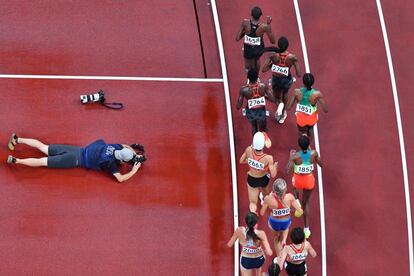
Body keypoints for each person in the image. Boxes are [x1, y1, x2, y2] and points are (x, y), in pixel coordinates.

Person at [6, 133, 144, 183]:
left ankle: (18, 139)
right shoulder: (109, 163)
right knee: (43, 161)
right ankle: (16, 160)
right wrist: (134, 171)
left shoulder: (115, 147)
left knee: (44, 147)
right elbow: (120, 179)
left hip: (76, 149)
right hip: (75, 160)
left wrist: (133, 153)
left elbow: (125, 145)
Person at [285, 136, 322, 239]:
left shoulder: (295, 156)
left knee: (294, 187)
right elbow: (321, 164)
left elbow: (287, 170)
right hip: (309, 181)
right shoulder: (314, 153)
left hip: (298, 181)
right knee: (306, 203)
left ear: (299, 145)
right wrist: (313, 156)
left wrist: (290, 157)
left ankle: (296, 202)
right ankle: (306, 229)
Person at [262, 37, 301, 124]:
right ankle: (283, 113)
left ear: (278, 46)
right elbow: (298, 73)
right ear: (287, 46)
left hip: (276, 79)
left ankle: (279, 104)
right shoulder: (292, 57)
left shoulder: (273, 55)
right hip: (286, 79)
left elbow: (264, 69)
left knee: (277, 97)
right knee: (285, 93)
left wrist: (273, 65)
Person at [260, 178, 303, 257]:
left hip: (274, 223)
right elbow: (300, 211)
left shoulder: (268, 198)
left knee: (276, 238)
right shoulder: (290, 197)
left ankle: (279, 257)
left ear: (274, 189)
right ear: (285, 189)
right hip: (286, 222)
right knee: (285, 228)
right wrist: (295, 204)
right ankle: (284, 240)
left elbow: (262, 213)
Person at [240, 132, 278, 213]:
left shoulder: (248, 150)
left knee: (253, 203)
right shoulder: (268, 158)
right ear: (263, 144)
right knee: (265, 193)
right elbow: (273, 174)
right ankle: (264, 199)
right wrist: (275, 167)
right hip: (264, 179)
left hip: (252, 180)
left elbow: (241, 161)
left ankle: (253, 217)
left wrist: (251, 162)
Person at [286, 73, 328, 138]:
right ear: (313, 82)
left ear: (303, 82)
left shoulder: (296, 92)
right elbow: (326, 110)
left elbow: (288, 108)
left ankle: (304, 142)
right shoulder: (317, 94)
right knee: (310, 130)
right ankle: (308, 144)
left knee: (301, 132)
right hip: (312, 118)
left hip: (301, 119)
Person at [236, 69, 276, 136]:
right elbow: (272, 99)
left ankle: (255, 142)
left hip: (250, 112)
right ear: (257, 77)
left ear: (248, 78)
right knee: (263, 127)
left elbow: (238, 106)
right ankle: (264, 137)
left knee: (254, 126)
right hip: (261, 111)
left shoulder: (243, 89)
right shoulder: (263, 86)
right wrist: (265, 97)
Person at [236, 6, 275, 72]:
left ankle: (250, 77)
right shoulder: (264, 27)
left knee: (247, 63)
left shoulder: (245, 23)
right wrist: (268, 25)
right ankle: (256, 76)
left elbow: (237, 38)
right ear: (260, 16)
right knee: (257, 59)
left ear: (251, 14)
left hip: (248, 49)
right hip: (258, 49)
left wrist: (245, 32)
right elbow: (273, 41)